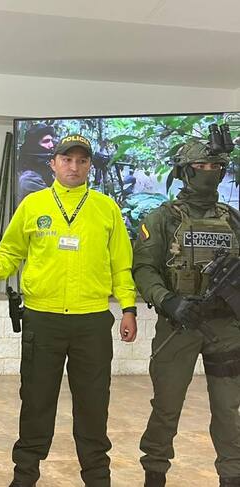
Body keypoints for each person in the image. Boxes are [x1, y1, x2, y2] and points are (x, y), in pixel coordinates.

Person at [0, 134, 138, 487]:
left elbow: (121, 264)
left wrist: (129, 308)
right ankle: (24, 476)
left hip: (91, 321)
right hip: (42, 319)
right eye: (67, 159)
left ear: (89, 166)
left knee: (93, 403)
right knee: (36, 401)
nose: (74, 167)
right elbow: (9, 253)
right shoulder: (33, 205)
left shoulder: (107, 208)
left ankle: (97, 477)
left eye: (81, 161)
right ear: (53, 164)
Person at [133, 138, 240, 487]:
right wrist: (168, 301)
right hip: (179, 325)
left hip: (226, 328)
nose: (209, 173)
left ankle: (232, 475)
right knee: (167, 406)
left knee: (230, 409)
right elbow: (144, 268)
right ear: (184, 172)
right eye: (201, 167)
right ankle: (155, 473)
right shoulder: (162, 218)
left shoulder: (232, 219)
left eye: (215, 167)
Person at [16, 123, 56, 202]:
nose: (51, 145)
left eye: (51, 141)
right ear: (34, 146)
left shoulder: (46, 171)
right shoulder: (28, 179)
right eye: (46, 141)